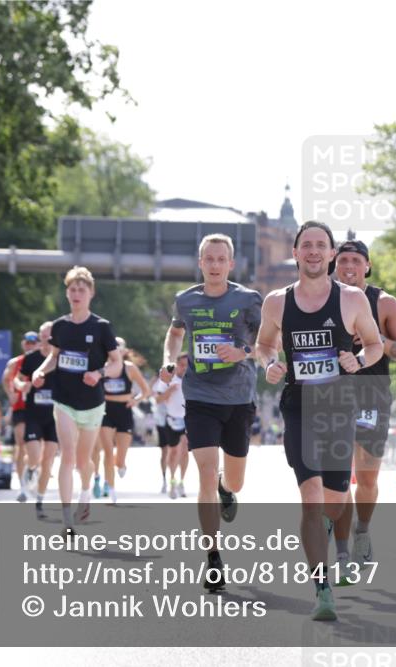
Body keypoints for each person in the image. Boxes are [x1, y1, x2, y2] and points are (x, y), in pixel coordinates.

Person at [255, 220, 383, 621]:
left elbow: (376, 344)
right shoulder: (276, 301)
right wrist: (270, 363)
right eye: (305, 245)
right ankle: (322, 588)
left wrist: (358, 360)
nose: (313, 251)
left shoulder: (351, 301)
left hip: (341, 406)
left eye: (320, 246)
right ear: (294, 253)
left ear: (330, 255)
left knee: (335, 501)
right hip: (299, 405)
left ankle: (336, 540)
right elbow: (262, 344)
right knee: (310, 498)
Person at [164, 233, 262, 592]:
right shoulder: (185, 301)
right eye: (210, 259)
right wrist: (169, 361)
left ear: (231, 264)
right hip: (201, 396)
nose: (216, 265)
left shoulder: (249, 300)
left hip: (238, 398)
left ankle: (226, 488)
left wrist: (243, 352)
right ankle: (214, 558)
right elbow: (174, 336)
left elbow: (271, 342)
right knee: (204, 473)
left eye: (222, 259)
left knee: (233, 481)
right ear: (200, 262)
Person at [331, 239, 396, 574]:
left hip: (371, 395)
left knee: (365, 477)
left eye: (355, 260)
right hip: (329, 395)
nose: (348, 267)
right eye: (342, 261)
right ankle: (340, 552)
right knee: (336, 477)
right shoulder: (320, 298)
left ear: (367, 265)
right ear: (333, 265)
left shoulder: (384, 303)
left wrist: (378, 342)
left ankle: (362, 532)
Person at [31, 266, 122, 536]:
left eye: (82, 289)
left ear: (91, 293)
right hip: (64, 401)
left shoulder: (101, 327)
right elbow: (54, 357)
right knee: (67, 457)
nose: (77, 294)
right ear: (67, 293)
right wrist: (40, 371)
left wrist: (99, 373)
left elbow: (116, 363)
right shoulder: (60, 326)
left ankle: (86, 490)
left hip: (93, 404)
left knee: (84, 463)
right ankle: (67, 520)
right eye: (72, 289)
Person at [93, 337, 152, 504]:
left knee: (119, 459)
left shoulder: (130, 368)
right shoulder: (102, 369)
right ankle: (110, 489)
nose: (115, 350)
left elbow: (146, 390)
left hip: (124, 411)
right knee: (107, 451)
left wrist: (136, 400)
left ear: (124, 351)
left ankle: (121, 464)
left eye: (118, 347)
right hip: (105, 410)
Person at [15, 321, 60, 519]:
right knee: (34, 456)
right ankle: (31, 469)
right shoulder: (31, 359)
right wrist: (21, 386)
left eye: (49, 335)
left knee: (48, 460)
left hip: (56, 416)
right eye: (43, 335)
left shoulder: (61, 359)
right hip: (33, 414)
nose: (46, 338)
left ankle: (40, 501)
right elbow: (17, 379)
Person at [3, 332, 39, 501]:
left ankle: (34, 470)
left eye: (34, 342)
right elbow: (6, 378)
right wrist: (10, 393)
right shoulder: (15, 362)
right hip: (21, 408)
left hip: (41, 408)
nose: (30, 345)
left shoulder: (45, 360)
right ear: (23, 344)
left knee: (40, 447)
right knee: (21, 443)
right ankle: (22, 486)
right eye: (27, 342)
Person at [154, 353, 189, 498]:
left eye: (188, 365)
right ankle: (172, 480)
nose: (184, 368)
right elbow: (158, 399)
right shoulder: (168, 378)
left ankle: (182, 481)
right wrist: (170, 390)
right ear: (177, 365)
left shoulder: (194, 379)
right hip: (172, 419)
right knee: (173, 451)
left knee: (185, 450)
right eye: (182, 365)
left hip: (189, 419)